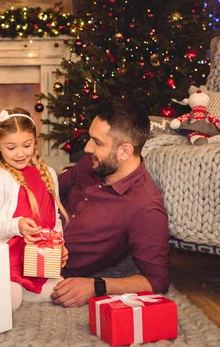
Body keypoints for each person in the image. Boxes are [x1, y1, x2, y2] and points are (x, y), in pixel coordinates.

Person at [51, 101, 170, 307]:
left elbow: (157, 280)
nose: (87, 148)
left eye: (97, 142)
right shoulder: (92, 164)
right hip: (25, 234)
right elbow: (51, 192)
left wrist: (95, 286)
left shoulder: (145, 208)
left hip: (45, 269)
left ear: (124, 151)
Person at [0, 108, 69, 310]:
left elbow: (54, 220)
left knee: (63, 290)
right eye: (11, 148)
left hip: (39, 261)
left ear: (34, 142)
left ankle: (26, 286)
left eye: (26, 145)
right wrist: (16, 225)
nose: (20, 153)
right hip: (8, 261)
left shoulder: (49, 174)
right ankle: (7, 285)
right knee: (11, 302)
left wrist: (59, 245)